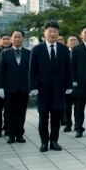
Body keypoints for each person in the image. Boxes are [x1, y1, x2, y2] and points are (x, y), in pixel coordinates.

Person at [29, 21, 73, 152]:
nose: (52, 34)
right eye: (50, 31)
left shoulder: (64, 49)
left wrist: (69, 85)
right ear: (45, 33)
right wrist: (33, 86)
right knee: (43, 117)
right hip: (43, 88)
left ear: (58, 33)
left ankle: (54, 141)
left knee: (56, 117)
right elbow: (32, 70)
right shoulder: (36, 49)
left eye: (55, 31)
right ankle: (44, 142)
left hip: (59, 88)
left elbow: (68, 69)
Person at [0, 30, 30, 144]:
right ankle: (11, 134)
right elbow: (1, 71)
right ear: (11, 39)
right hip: (9, 88)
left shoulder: (28, 53)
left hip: (24, 87)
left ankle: (20, 134)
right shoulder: (5, 53)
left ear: (23, 39)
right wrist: (0, 87)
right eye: (15, 37)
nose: (17, 39)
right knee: (9, 112)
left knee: (21, 112)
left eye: (19, 37)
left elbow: (32, 71)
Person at [62, 34, 80, 133]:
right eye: (71, 40)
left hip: (78, 84)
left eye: (75, 40)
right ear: (67, 42)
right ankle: (68, 124)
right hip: (66, 84)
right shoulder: (64, 52)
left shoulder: (80, 52)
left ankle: (78, 125)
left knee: (78, 106)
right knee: (66, 105)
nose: (73, 42)